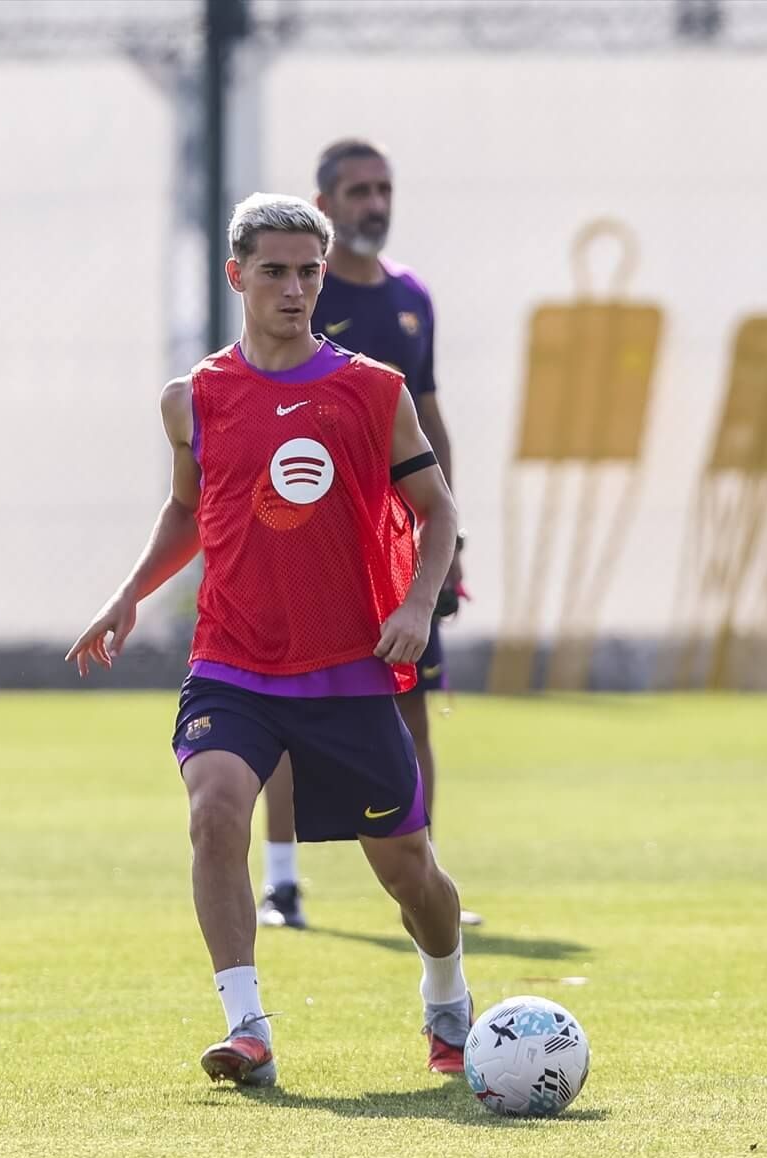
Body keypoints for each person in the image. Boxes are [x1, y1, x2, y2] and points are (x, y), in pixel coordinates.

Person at [66, 193, 474, 1082]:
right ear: (236, 277)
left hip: (351, 670)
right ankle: (247, 1028)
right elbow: (188, 509)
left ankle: (446, 993)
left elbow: (437, 511)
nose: (294, 289)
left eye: (308, 272)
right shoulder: (194, 399)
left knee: (410, 874)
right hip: (233, 661)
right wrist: (129, 593)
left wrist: (414, 606)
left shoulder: (372, 391)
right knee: (214, 813)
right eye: (275, 272)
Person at [255, 137, 480, 930]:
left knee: (411, 703)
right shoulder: (297, 303)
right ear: (324, 205)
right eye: (358, 190)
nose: (374, 204)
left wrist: (447, 541)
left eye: (384, 188)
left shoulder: (412, 297)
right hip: (311, 544)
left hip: (398, 550)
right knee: (276, 704)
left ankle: (427, 879)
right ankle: (282, 885)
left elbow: (431, 414)